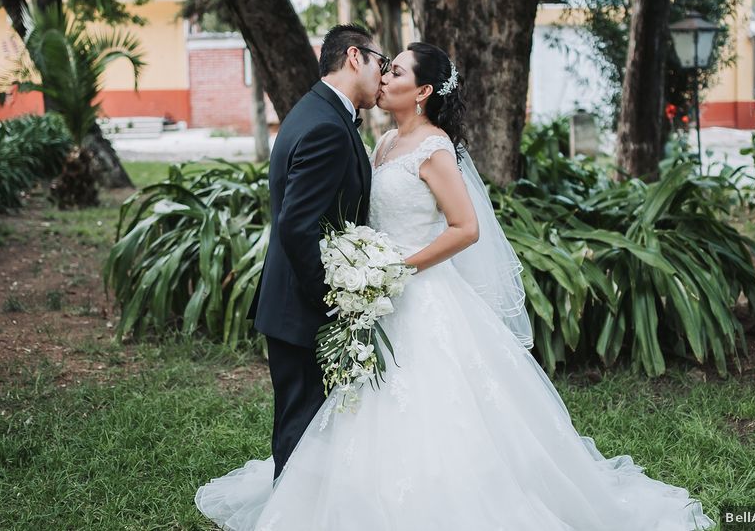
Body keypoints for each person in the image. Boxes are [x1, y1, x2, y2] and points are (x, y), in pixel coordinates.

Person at [197, 41, 715, 531]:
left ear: (423, 92)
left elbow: (466, 228)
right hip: (379, 300)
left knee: (437, 412)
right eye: (385, 66)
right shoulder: (382, 142)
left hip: (420, 296)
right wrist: (363, 267)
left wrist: (398, 269)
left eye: (396, 70)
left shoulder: (435, 147)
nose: (385, 75)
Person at [244, 24, 387, 482]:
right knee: (302, 427)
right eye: (380, 63)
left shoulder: (317, 111)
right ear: (354, 57)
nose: (383, 76)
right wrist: (334, 297)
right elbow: (297, 225)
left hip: (291, 304)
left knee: (306, 424)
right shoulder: (326, 125)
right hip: (304, 310)